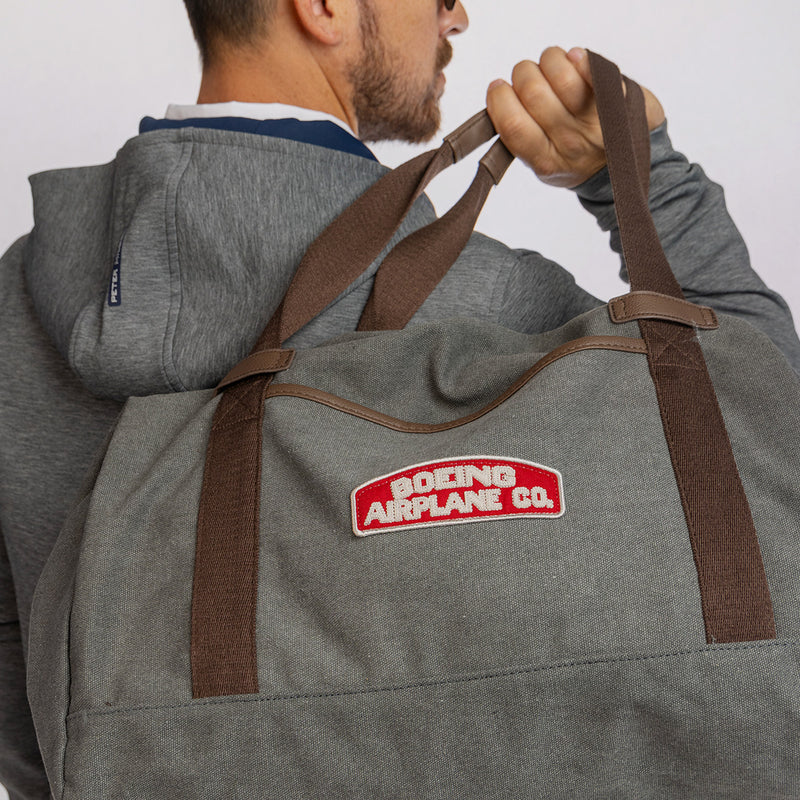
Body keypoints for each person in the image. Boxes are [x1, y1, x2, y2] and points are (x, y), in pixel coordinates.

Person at [1, 1, 798, 797]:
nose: (458, 18)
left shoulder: (15, 300)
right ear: (323, 7)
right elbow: (760, 416)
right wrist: (650, 179)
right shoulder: (496, 303)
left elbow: (27, 713)